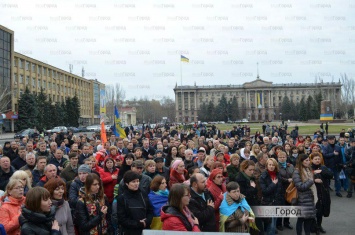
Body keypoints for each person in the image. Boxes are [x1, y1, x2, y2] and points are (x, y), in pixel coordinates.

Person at [116, 171, 153, 235]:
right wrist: (138, 223)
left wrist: (146, 221)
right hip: (129, 231)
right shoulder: (122, 198)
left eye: (137, 181)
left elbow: (150, 211)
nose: (136, 184)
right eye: (133, 182)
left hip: (144, 229)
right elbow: (122, 219)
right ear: (127, 183)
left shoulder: (143, 194)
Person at [293, 154, 317, 235]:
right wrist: (311, 181)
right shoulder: (297, 171)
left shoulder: (308, 169)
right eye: (306, 160)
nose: (308, 162)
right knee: (301, 220)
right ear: (301, 161)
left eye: (308, 160)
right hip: (302, 199)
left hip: (310, 198)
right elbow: (300, 187)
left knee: (308, 220)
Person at [259, 158, 283, 235]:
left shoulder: (278, 174)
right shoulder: (263, 176)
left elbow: (280, 186)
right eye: (270, 165)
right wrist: (273, 184)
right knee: (271, 226)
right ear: (267, 166)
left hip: (277, 202)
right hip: (269, 202)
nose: (271, 166)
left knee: (274, 222)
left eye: (273, 165)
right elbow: (265, 191)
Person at [311, 153, 333, 234]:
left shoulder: (323, 167)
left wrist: (322, 171)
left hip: (323, 192)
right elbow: (306, 179)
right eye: (315, 159)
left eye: (318, 159)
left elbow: (331, 175)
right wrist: (314, 177)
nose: (317, 160)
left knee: (321, 211)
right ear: (312, 160)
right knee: (314, 211)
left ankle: (319, 226)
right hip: (313, 193)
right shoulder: (309, 168)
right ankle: (313, 226)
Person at [277, 151, 295, 231]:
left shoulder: (290, 165)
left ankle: (286, 222)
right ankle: (279, 224)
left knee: (288, 206)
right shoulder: (276, 166)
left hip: (290, 189)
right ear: (278, 158)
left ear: (286, 157)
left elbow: (294, 174)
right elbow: (278, 177)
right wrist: (287, 180)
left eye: (283, 157)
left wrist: (293, 179)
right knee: (281, 207)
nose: (282, 158)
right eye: (280, 157)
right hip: (281, 189)